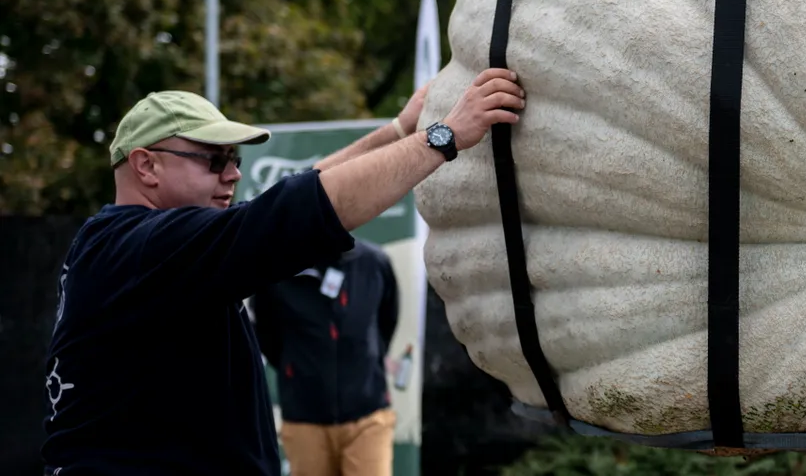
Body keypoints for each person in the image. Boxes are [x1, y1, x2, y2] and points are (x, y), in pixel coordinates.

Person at [40, 68, 524, 475]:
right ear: (146, 166)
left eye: (234, 159)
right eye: (213, 159)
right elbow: (296, 208)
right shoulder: (146, 246)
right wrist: (444, 137)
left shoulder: (131, 245)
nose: (232, 173)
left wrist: (397, 132)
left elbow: (285, 199)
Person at [250, 237, 401, 476]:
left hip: (368, 414)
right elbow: (266, 334)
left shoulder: (374, 262)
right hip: (304, 418)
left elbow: (386, 321)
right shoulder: (277, 269)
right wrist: (297, 369)